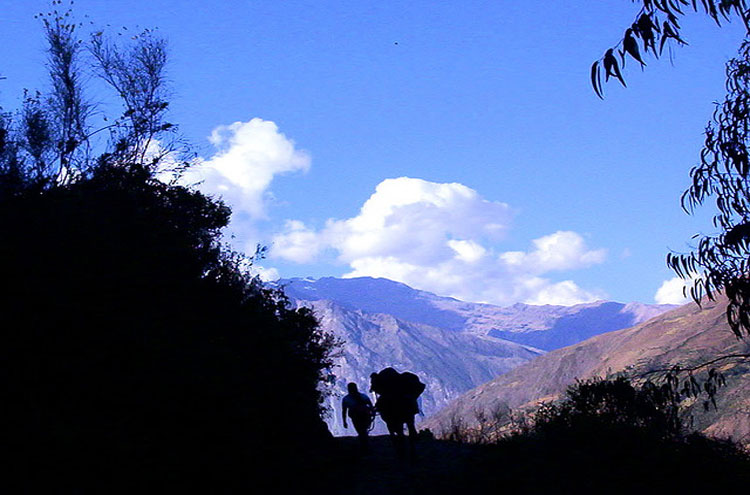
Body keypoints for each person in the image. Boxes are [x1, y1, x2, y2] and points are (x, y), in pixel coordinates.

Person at [341, 382, 375, 452]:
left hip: (356, 417)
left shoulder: (346, 399)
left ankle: (364, 446)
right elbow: (370, 406)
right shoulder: (363, 396)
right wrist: (372, 413)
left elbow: (344, 411)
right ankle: (365, 445)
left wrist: (344, 421)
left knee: (361, 431)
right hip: (364, 416)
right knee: (363, 431)